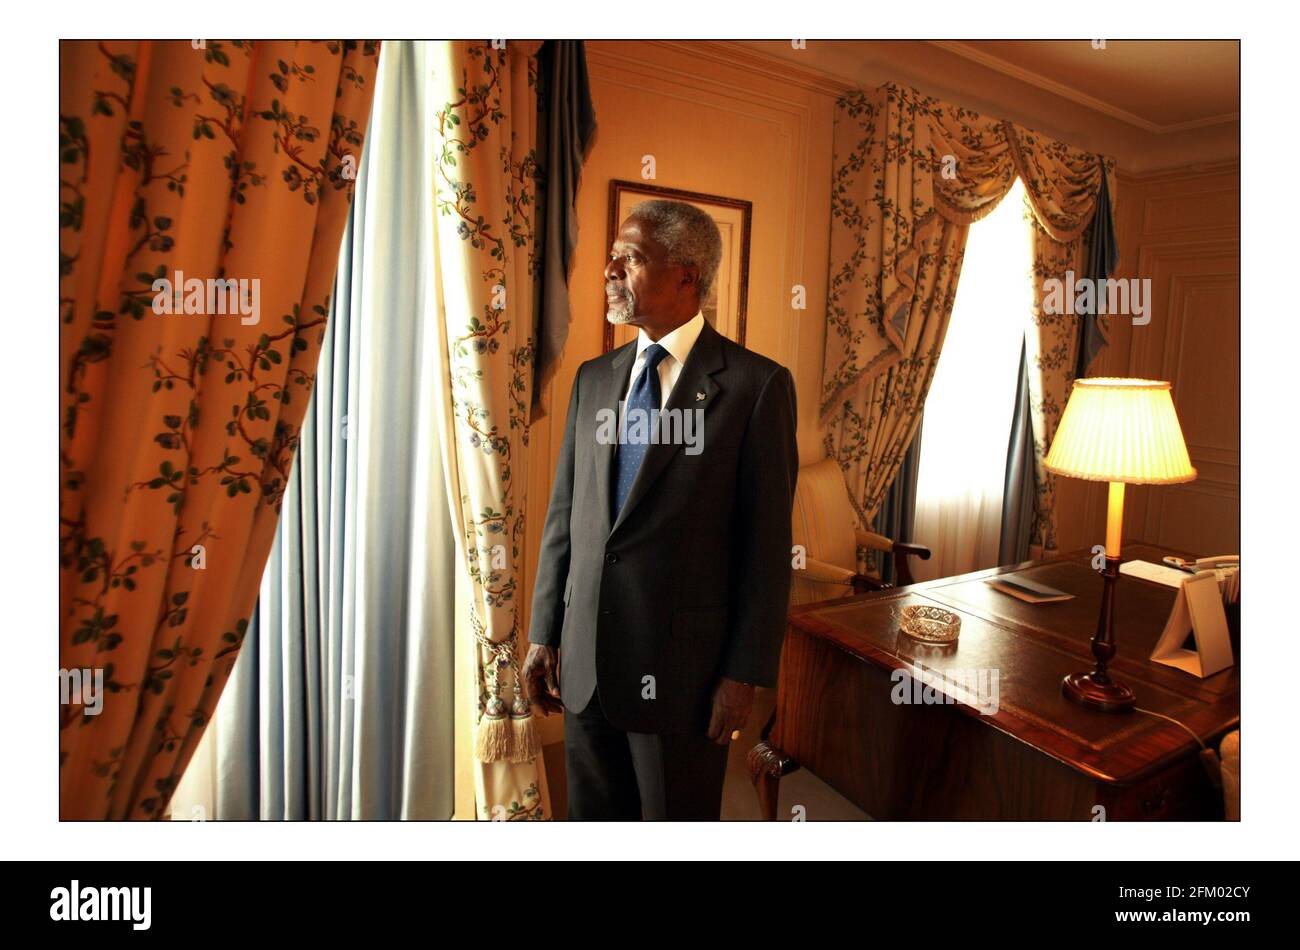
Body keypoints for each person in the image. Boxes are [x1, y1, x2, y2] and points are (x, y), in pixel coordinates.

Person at [523, 199, 799, 820]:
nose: (610, 269)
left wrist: (743, 674)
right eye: (613, 256)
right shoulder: (594, 379)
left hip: (685, 679)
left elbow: (764, 551)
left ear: (686, 274)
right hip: (586, 662)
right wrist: (544, 632)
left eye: (631, 257)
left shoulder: (756, 387)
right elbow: (565, 516)